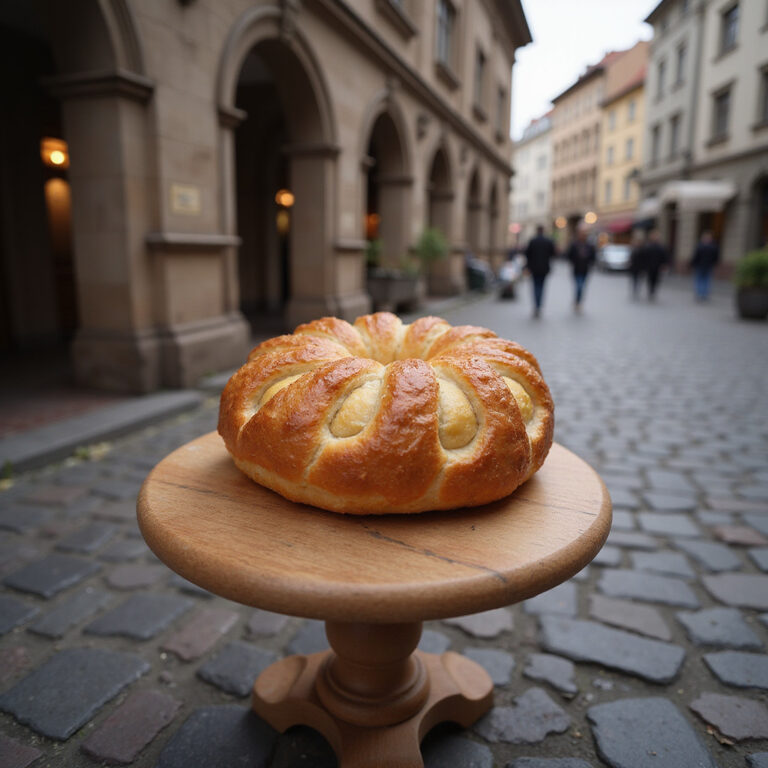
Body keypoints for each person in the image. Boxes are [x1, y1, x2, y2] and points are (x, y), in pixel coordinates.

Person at [524, 225, 555, 318]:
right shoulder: (548, 241)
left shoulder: (533, 241)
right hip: (544, 268)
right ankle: (539, 305)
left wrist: (528, 266)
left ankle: (536, 305)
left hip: (534, 268)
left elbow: (527, 254)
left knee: (535, 287)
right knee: (541, 287)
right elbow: (553, 253)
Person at [565, 227, 596, 312]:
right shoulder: (574, 244)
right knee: (579, 286)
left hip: (585, 269)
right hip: (576, 269)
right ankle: (577, 301)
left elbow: (593, 257)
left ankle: (578, 301)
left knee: (582, 286)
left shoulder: (589, 246)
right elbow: (569, 255)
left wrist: (590, 261)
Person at [689, 230, 720, 301]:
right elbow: (716, 257)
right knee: (706, 280)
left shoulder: (700, 246)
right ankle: (704, 293)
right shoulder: (713, 247)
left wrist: (692, 264)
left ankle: (700, 293)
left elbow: (696, 256)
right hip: (708, 265)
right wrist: (714, 263)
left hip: (700, 265)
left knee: (700, 280)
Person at [629, 231, 647, 299]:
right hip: (634, 268)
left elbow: (645, 259)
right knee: (634, 279)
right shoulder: (633, 249)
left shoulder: (643, 250)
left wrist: (644, 268)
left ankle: (637, 289)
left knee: (639, 279)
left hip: (640, 267)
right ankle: (635, 289)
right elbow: (631, 258)